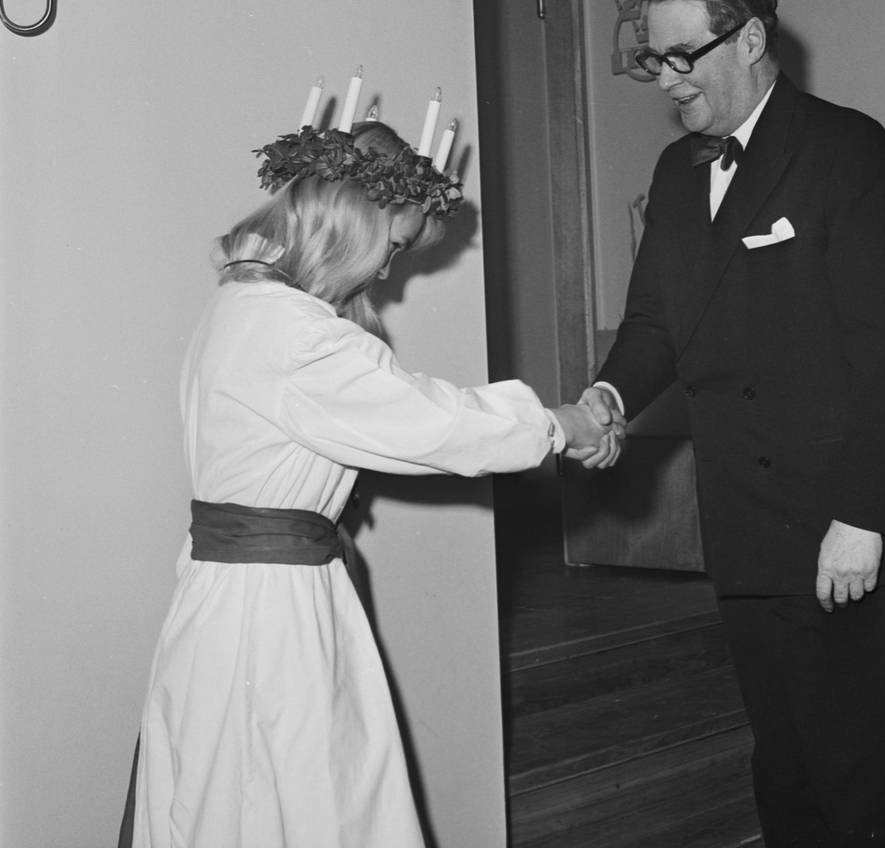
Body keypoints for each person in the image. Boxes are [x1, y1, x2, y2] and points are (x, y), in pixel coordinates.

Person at [121, 115, 619, 848]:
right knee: (297, 798)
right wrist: (558, 425)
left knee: (240, 794)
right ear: (353, 222)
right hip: (271, 612)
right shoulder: (297, 334)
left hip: (229, 597)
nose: (387, 271)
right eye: (393, 246)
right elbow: (432, 422)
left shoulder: (240, 304)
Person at [581, 0, 885, 847]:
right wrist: (606, 397)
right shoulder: (676, 173)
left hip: (843, 528)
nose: (666, 82)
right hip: (746, 523)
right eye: (653, 61)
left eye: (682, 57)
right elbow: (656, 321)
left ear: (748, 39)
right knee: (785, 772)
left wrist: (862, 518)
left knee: (862, 784)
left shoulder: (847, 149)